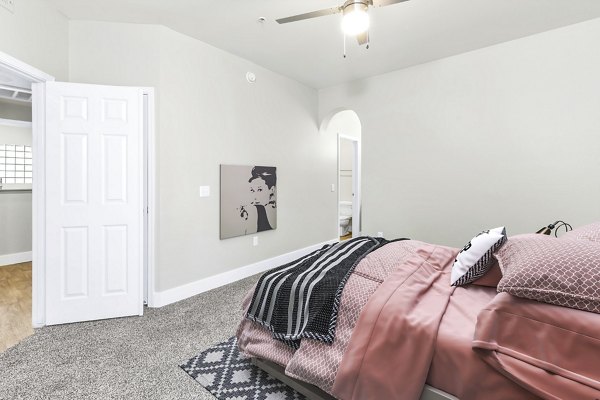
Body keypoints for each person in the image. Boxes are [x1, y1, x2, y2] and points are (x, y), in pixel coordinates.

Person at [238, 166, 276, 232]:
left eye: (260, 190)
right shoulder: (252, 209)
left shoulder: (272, 211)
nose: (255, 196)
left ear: (271, 190)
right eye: (252, 190)